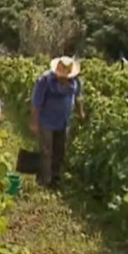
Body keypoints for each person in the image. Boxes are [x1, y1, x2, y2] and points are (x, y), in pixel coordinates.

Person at [29, 56, 86, 188]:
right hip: (46, 121)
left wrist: (80, 112)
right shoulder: (44, 81)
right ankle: (44, 180)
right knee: (46, 151)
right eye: (61, 74)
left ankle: (55, 177)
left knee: (60, 150)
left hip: (63, 121)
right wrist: (34, 122)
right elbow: (36, 103)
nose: (63, 78)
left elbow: (77, 98)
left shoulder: (75, 81)